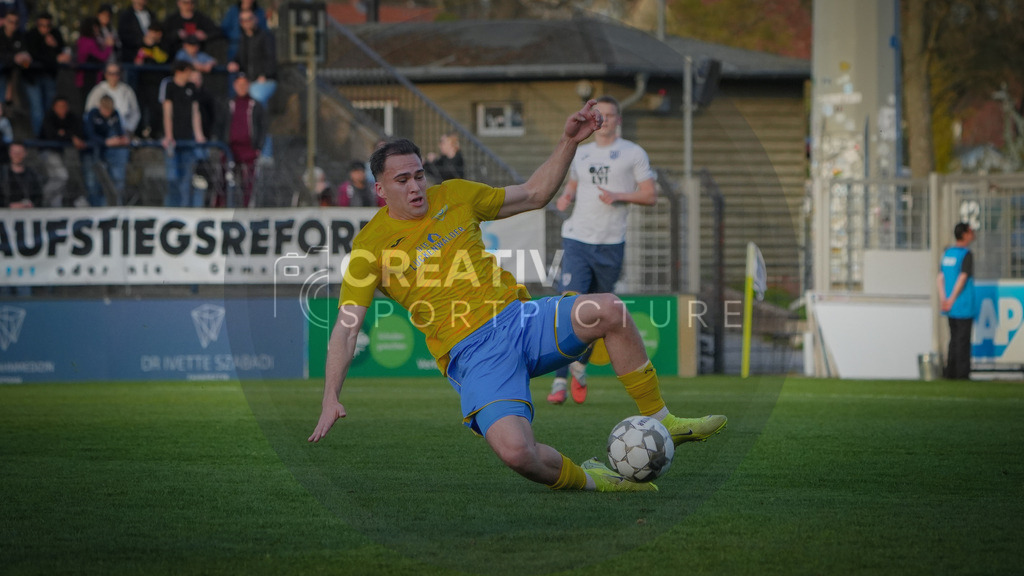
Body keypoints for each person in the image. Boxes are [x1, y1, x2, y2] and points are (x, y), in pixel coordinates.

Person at [307, 100, 727, 493]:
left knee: (610, 309)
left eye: (419, 174)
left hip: (521, 320)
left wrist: (568, 141)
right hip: (471, 353)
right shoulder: (369, 248)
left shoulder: (454, 195)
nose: (416, 186)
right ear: (380, 189)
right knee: (517, 453)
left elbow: (535, 194)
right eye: (402, 180)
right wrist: (331, 398)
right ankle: (596, 479)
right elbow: (346, 331)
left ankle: (660, 419)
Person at [546, 95, 657, 406]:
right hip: (577, 239)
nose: (605, 119)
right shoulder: (581, 153)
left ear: (618, 120)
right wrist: (566, 197)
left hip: (610, 245)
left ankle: (579, 367)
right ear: (594, 120)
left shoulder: (633, 153)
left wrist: (619, 195)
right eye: (600, 115)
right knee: (570, 305)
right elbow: (574, 183)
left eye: (610, 115)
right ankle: (558, 381)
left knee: (596, 315)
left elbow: (650, 195)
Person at [226, 8, 275, 157]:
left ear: (256, 20)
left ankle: (263, 152)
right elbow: (239, 58)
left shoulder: (265, 36)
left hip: (265, 81)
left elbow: (271, 59)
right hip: (250, 82)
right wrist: (233, 63)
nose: (246, 23)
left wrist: (264, 74)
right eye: (243, 20)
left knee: (255, 102)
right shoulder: (243, 39)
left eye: (249, 19)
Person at [160, 59, 206, 207]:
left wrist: (198, 134)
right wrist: (169, 135)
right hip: (174, 140)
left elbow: (195, 112)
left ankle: (184, 210)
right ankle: (170, 211)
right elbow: (167, 112)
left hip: (188, 139)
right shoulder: (169, 86)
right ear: (181, 71)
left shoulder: (191, 87)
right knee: (172, 179)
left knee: (187, 180)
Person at [937, 222, 977, 380]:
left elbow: (940, 278)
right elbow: (962, 277)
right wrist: (952, 299)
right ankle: (962, 374)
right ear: (965, 234)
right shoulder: (965, 254)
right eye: (971, 231)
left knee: (953, 340)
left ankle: (950, 372)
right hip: (962, 304)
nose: (973, 234)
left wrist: (944, 299)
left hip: (948, 305)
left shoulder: (947, 253)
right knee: (962, 340)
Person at [220, 72, 265, 207]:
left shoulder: (255, 105)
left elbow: (263, 127)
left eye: (245, 84)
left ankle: (248, 209)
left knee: (249, 183)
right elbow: (220, 124)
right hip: (230, 149)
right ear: (234, 86)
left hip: (249, 150)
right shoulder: (228, 104)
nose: (242, 87)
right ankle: (224, 207)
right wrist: (222, 144)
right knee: (225, 180)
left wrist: (258, 147)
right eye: (239, 84)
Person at [23, 12, 70, 137]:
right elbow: (33, 56)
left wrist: (54, 46)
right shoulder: (30, 35)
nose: (44, 28)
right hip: (32, 78)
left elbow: (63, 54)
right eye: (41, 25)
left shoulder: (55, 34)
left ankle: (48, 137)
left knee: (49, 109)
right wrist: (54, 58)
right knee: (37, 110)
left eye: (47, 25)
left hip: (50, 76)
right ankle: (39, 140)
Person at [38, 97, 88, 207]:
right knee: (61, 176)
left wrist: (64, 134)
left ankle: (56, 206)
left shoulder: (71, 117)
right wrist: (69, 136)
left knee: (60, 179)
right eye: (59, 107)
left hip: (61, 153)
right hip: (47, 151)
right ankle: (41, 198)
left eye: (64, 106)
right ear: (54, 108)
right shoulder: (49, 117)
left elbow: (79, 133)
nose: (62, 109)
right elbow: (51, 135)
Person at [83, 94, 131, 206]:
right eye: (105, 110)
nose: (107, 113)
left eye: (109, 110)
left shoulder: (115, 114)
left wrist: (123, 139)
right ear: (100, 107)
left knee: (110, 182)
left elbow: (119, 132)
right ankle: (94, 208)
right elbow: (89, 134)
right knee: (92, 182)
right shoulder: (93, 114)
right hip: (91, 152)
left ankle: (110, 208)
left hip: (107, 154)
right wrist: (105, 141)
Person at [84, 63, 140, 136]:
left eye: (116, 73)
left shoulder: (127, 91)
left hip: (123, 131)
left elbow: (135, 112)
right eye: (111, 73)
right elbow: (89, 112)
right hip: (102, 132)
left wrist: (129, 129)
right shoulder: (98, 90)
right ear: (106, 75)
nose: (114, 76)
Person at [132, 21, 167, 138]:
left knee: (156, 110)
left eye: (155, 33)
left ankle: (154, 134)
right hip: (142, 82)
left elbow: (162, 58)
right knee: (140, 108)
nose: (152, 35)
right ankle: (138, 134)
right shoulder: (139, 44)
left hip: (157, 83)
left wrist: (151, 47)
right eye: (151, 32)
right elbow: (137, 62)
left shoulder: (163, 45)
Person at [75, 17, 115, 105]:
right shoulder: (88, 42)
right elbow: (102, 57)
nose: (97, 29)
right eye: (95, 27)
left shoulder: (86, 40)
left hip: (89, 78)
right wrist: (109, 46)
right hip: (88, 79)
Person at [0, 141, 42, 208]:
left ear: (25, 153)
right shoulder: (3, 174)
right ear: (9, 153)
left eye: (19, 152)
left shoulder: (32, 174)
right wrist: (9, 205)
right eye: (14, 152)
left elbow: (39, 196)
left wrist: (32, 204)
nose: (16, 155)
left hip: (29, 214)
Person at [0, 12, 29, 108]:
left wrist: (24, 58)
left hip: (16, 75)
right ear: (4, 21)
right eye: (10, 21)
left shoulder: (20, 36)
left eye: (16, 22)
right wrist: (13, 58)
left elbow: (25, 58)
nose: (13, 25)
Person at [118, 0, 155, 71]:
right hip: (131, 59)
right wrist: (142, 40)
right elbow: (124, 36)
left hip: (150, 59)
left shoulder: (151, 15)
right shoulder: (126, 16)